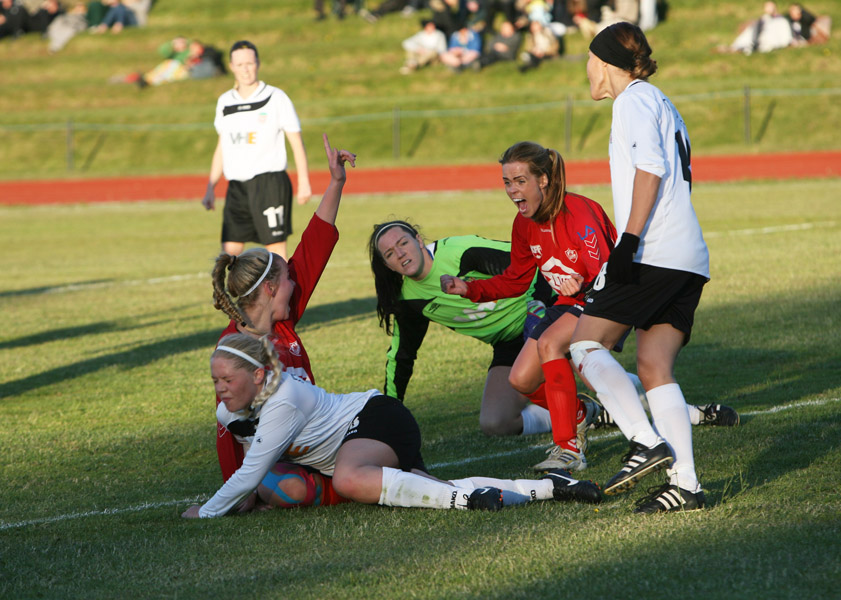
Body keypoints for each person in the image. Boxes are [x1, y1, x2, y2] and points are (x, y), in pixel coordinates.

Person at [181, 334, 603, 518]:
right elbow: (249, 464)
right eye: (214, 381)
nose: (219, 390)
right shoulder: (231, 412)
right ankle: (552, 488)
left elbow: (251, 469)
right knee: (440, 483)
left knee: (348, 479)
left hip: (377, 417)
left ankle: (464, 503)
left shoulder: (283, 400)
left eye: (226, 380)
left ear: (257, 377)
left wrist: (209, 512)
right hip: (359, 440)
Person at [571, 22, 710, 513]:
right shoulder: (660, 100)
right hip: (689, 257)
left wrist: (627, 242)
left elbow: (650, 169)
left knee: (585, 343)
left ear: (606, 61)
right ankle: (687, 484)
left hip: (653, 251)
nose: (585, 69)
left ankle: (643, 441)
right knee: (653, 366)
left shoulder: (630, 100)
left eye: (588, 59)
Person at [439, 142, 616, 472]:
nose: (512, 190)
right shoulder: (523, 225)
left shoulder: (580, 213)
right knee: (520, 380)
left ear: (544, 180)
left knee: (549, 343)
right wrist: (469, 288)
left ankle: (569, 450)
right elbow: (515, 281)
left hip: (605, 301)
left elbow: (610, 271)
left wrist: (583, 284)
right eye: (507, 182)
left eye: (520, 180)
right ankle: (580, 414)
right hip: (569, 305)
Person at [210, 133, 356, 512]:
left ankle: (345, 477)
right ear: (273, 289)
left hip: (316, 441)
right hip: (279, 457)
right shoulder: (235, 350)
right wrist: (236, 495)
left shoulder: (284, 318)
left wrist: (336, 182)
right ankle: (344, 484)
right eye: (287, 278)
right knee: (287, 488)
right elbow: (228, 429)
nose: (296, 280)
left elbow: (315, 245)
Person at [370, 220, 558, 439]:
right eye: (390, 254)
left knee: (585, 351)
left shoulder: (459, 252)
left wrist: (539, 305)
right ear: (387, 265)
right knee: (495, 422)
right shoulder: (410, 299)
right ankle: (583, 412)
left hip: (547, 315)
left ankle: (602, 397)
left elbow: (536, 260)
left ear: (418, 240)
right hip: (509, 344)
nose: (400, 254)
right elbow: (402, 357)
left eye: (403, 243)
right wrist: (391, 411)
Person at [202, 40, 312, 261]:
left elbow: (296, 142)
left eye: (249, 63)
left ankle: (284, 296)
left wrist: (304, 181)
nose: (245, 69)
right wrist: (211, 186)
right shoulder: (224, 102)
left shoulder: (276, 97)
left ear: (258, 64)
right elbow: (222, 146)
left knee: (276, 251)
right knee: (229, 253)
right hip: (237, 187)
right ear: (232, 66)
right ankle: (229, 296)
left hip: (269, 182)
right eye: (240, 64)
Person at [726, 1, 792, 55]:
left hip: (771, 44)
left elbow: (784, 36)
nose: (769, 9)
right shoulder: (762, 20)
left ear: (775, 7)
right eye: (767, 7)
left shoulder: (781, 20)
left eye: (770, 6)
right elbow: (751, 32)